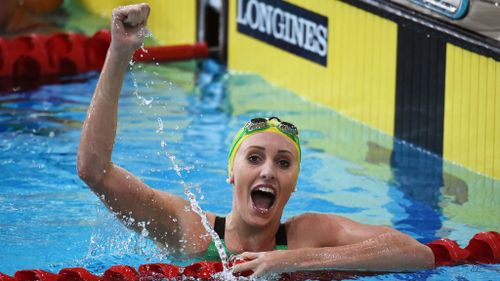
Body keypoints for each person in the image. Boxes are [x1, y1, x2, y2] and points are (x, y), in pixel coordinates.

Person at [77, 3, 435, 278]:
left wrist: (293, 260)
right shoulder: (190, 230)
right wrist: (119, 53)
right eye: (254, 158)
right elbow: (94, 171)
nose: (268, 172)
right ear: (230, 171)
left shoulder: (308, 234)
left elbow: (418, 253)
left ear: (294, 183)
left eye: (283, 163)